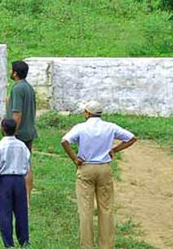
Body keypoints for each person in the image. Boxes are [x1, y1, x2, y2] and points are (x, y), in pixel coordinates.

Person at [61, 101, 138, 249]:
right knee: (106, 208)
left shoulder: (81, 127)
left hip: (86, 168)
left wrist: (74, 158)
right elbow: (131, 138)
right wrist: (115, 150)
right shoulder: (110, 126)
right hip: (104, 168)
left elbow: (64, 141)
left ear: (87, 113)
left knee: (85, 209)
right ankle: (106, 245)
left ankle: (86, 245)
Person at [0, 118, 31, 248]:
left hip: (4, 181)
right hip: (19, 180)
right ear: (16, 129)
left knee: (4, 213)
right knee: (21, 212)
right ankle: (24, 241)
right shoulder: (22, 146)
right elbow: (27, 164)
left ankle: (9, 244)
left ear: (2, 129)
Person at [7, 60, 37, 204]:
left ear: (15, 73)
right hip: (29, 130)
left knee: (18, 164)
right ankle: (26, 197)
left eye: (11, 69)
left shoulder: (18, 88)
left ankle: (21, 197)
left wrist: (12, 132)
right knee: (27, 162)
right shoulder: (28, 87)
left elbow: (17, 113)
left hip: (19, 132)